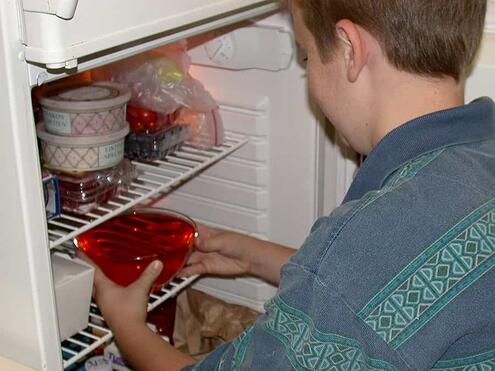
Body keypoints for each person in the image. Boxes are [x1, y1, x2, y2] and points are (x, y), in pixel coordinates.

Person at [80, 0, 495, 369]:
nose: (310, 76)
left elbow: (355, 284)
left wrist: (127, 325)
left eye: (306, 55)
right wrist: (258, 258)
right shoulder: (479, 157)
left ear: (350, 48)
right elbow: (396, 296)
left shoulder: (370, 239)